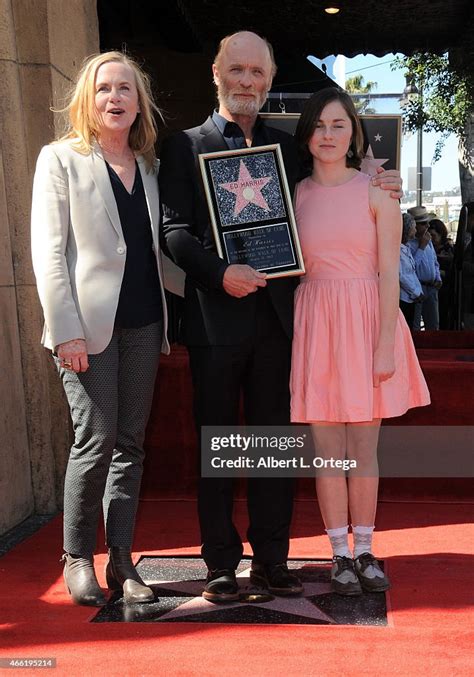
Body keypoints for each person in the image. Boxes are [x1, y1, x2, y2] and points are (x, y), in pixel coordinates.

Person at [159, 31, 403, 603]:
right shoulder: (184, 145)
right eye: (237, 70)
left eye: (258, 73)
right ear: (217, 72)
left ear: (269, 81)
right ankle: (221, 562)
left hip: (281, 326)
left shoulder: (286, 147)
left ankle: (272, 557)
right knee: (219, 446)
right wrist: (220, 274)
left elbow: (339, 176)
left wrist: (383, 177)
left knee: (275, 447)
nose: (247, 81)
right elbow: (174, 232)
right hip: (216, 324)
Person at [31, 51, 170, 606]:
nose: (115, 98)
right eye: (104, 88)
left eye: (126, 90)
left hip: (144, 323)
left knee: (131, 445)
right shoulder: (60, 159)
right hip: (85, 329)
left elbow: (162, 249)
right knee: (96, 438)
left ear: (140, 103)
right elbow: (50, 253)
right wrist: (65, 330)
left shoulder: (152, 167)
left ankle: (122, 561)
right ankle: (76, 557)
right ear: (88, 99)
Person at [290, 88, 430, 596]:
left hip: (367, 321)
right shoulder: (294, 195)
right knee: (327, 450)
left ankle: (367, 548)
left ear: (354, 135)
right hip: (317, 325)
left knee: (363, 448)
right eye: (320, 125)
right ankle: (339, 555)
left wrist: (386, 344)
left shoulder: (377, 194)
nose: (328, 135)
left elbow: (391, 273)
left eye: (338, 125)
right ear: (307, 133)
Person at [407, 206, 442, 330]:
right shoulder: (409, 245)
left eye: (427, 223)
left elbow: (435, 262)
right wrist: (421, 247)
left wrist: (437, 277)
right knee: (415, 325)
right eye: (423, 223)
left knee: (433, 325)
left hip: (431, 286)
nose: (427, 226)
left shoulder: (428, 240)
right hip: (417, 288)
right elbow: (410, 269)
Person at [428, 218, 454, 329]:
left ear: (441, 234)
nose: (431, 239)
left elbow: (453, 271)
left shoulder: (448, 249)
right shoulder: (428, 248)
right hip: (431, 288)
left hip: (445, 289)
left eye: (433, 236)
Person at [400, 213, 424, 328]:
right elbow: (402, 275)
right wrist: (415, 292)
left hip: (410, 297)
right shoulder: (398, 250)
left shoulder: (406, 248)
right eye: (413, 227)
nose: (415, 230)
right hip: (404, 297)